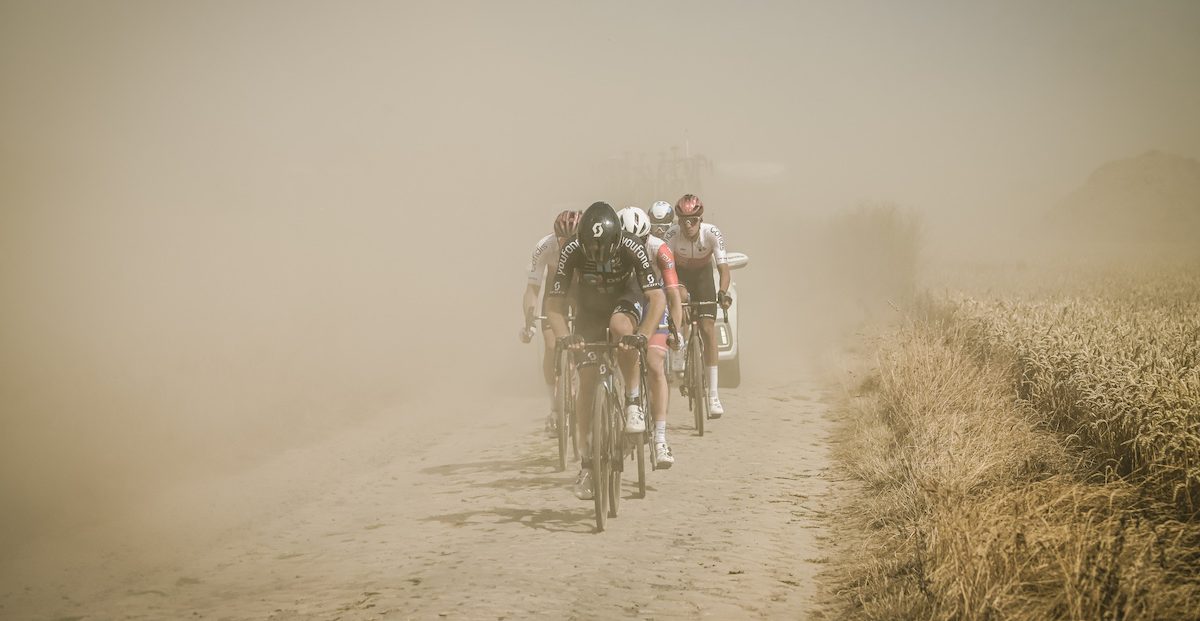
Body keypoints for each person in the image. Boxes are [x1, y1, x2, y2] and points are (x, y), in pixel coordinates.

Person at [545, 202, 666, 500]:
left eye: (604, 251)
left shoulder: (631, 245)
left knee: (621, 330)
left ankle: (633, 401)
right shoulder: (572, 249)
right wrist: (564, 338)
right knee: (586, 382)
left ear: (616, 240)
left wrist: (643, 336)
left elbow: (657, 298)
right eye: (591, 251)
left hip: (625, 297)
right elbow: (554, 306)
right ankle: (587, 463)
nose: (598, 257)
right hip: (589, 307)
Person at [617, 206, 683, 468]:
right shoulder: (613, 248)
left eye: (640, 240)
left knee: (655, 365)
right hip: (625, 302)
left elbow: (673, 295)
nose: (635, 246)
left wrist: (676, 332)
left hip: (653, 305)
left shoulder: (660, 250)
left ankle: (660, 440)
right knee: (616, 355)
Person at [662, 194, 732, 417]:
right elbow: (663, 267)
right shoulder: (671, 235)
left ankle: (713, 395)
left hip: (703, 279)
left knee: (708, 328)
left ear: (700, 219)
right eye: (683, 219)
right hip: (680, 277)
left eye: (692, 219)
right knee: (680, 296)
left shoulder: (712, 233)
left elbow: (724, 269)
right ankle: (679, 346)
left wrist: (722, 292)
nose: (687, 224)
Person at [520, 210, 580, 434]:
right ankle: (555, 408)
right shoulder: (544, 247)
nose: (566, 244)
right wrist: (529, 319)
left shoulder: (589, 246)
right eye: (562, 239)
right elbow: (532, 289)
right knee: (552, 346)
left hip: (581, 290)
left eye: (571, 239)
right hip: (556, 293)